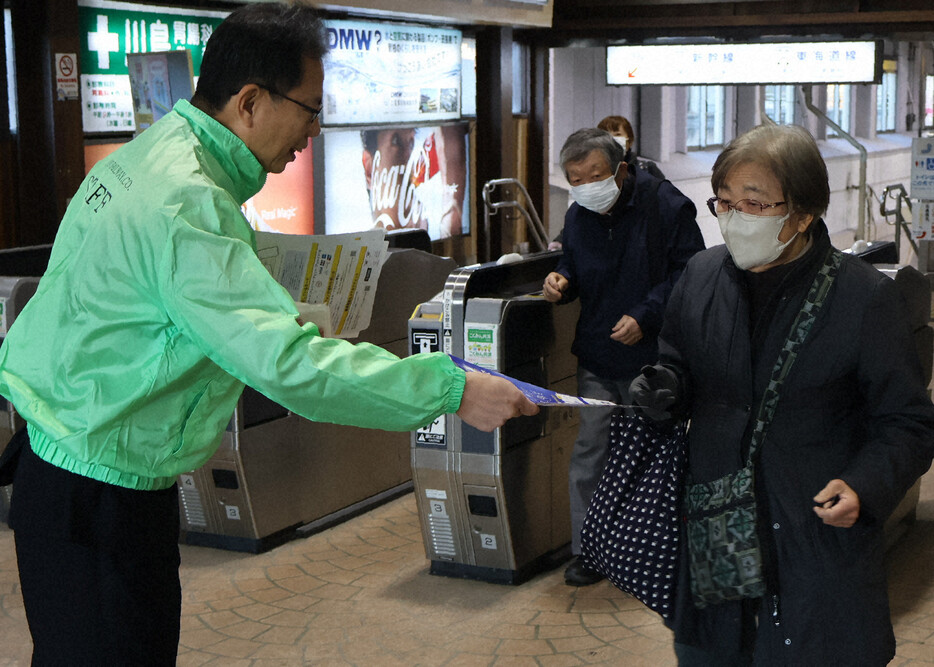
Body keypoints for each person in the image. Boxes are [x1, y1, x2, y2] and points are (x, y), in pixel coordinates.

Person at [0, 4, 537, 664]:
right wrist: (451, 388)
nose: (314, 130)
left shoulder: (157, 153)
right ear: (250, 101)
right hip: (100, 496)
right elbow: (293, 371)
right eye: (310, 109)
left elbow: (157, 304)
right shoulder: (189, 202)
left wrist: (277, 310)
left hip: (61, 465)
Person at [629, 123, 934, 664]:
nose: (732, 218)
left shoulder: (862, 298)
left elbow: (909, 422)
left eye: (753, 204)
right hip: (716, 534)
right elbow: (676, 362)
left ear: (803, 213)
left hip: (813, 538)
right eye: (723, 202)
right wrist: (664, 388)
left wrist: (865, 486)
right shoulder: (700, 277)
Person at [542, 128, 704, 586]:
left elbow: (690, 272)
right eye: (576, 179)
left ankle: (654, 548)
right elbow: (572, 262)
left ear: (621, 170)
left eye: (595, 175)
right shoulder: (578, 216)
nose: (586, 185)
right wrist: (561, 279)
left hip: (654, 360)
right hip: (597, 353)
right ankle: (589, 551)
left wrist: (646, 315)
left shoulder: (666, 206)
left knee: (653, 458)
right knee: (590, 453)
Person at [548, 115, 664, 251]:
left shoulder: (646, 172)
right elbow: (584, 216)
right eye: (606, 135)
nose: (612, 140)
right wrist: (562, 241)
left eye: (617, 134)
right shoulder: (583, 203)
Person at [597, 114, 665, 180]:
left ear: (629, 139)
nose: (612, 139)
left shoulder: (648, 170)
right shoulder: (591, 172)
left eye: (618, 135)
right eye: (607, 135)